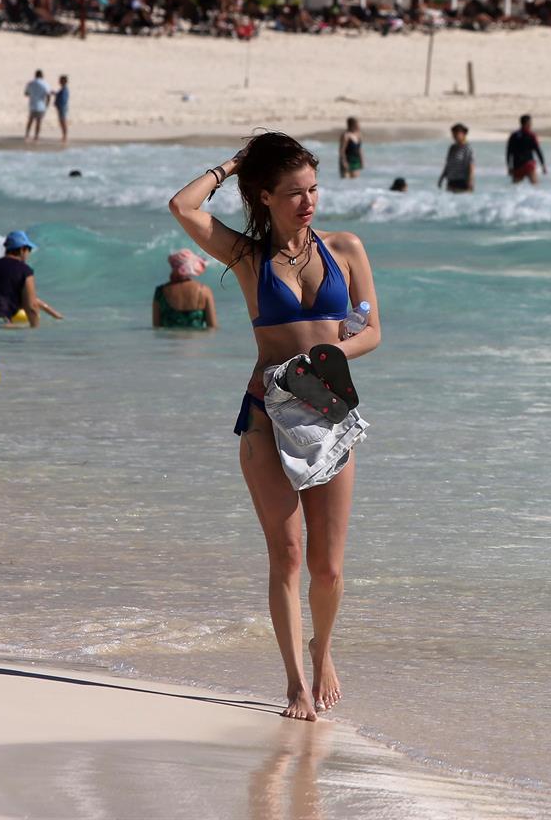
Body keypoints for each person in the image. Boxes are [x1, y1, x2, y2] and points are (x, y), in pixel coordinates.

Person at [169, 132, 381, 722]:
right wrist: (235, 163)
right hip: (266, 416)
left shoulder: (344, 248)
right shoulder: (248, 258)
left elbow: (371, 332)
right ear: (264, 196)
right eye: (293, 193)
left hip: (331, 413)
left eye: (314, 188)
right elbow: (183, 207)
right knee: (286, 555)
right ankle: (295, 683)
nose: (308, 201)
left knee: (328, 566)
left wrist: (328, 359)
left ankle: (324, 650)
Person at [0, 231, 64, 328]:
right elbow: (32, 306)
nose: (29, 253)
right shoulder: (25, 271)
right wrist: (34, 331)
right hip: (0, 322)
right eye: (29, 249)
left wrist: (55, 315)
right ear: (22, 249)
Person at [153, 248, 217, 330]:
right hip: (198, 342)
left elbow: (157, 329)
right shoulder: (204, 291)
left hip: (171, 342)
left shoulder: (160, 292)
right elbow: (212, 327)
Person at [506, 114, 545, 185]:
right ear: (528, 123)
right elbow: (538, 150)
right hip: (529, 165)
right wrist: (543, 165)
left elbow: (509, 152)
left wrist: (509, 167)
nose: (531, 124)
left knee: (515, 189)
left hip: (517, 166)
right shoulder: (531, 135)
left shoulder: (514, 135)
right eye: (530, 123)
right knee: (535, 186)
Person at [438, 123, 474, 193]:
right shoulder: (452, 148)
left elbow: (471, 166)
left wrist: (470, 182)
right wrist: (441, 178)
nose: (454, 136)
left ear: (463, 134)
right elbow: (448, 164)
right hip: (451, 181)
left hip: (462, 182)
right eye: (453, 134)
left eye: (456, 134)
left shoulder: (467, 148)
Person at [25, 69, 52, 141]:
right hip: (41, 105)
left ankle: (27, 135)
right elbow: (48, 94)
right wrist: (47, 104)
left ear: (35, 75)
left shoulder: (30, 83)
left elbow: (26, 93)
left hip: (32, 104)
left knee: (30, 121)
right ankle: (36, 136)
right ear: (42, 75)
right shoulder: (45, 83)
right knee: (38, 122)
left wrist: (33, 94)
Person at [54, 75, 71, 146]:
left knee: (63, 122)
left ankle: (65, 136)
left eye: (60, 80)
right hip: (61, 107)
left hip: (62, 108)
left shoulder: (64, 89)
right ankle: (64, 136)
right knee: (62, 122)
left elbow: (63, 99)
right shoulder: (63, 89)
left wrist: (59, 105)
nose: (59, 81)